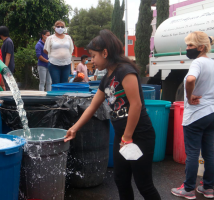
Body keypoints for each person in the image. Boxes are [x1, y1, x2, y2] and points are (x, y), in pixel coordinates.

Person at [64, 30, 161, 200]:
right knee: (121, 180)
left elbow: (136, 105)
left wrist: (128, 136)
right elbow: (92, 106)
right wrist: (74, 128)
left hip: (139, 135)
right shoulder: (106, 77)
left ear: (105, 53)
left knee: (144, 185)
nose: (92, 60)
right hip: (122, 136)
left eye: (93, 56)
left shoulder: (125, 71)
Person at [171, 32, 214, 200]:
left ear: (201, 47)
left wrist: (189, 97)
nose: (187, 49)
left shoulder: (198, 62)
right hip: (211, 113)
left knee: (193, 152)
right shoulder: (212, 62)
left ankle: (188, 189)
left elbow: (190, 80)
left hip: (196, 114)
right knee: (209, 152)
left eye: (190, 46)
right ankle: (208, 187)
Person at [44, 20, 74, 84]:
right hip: (54, 64)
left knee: (65, 83)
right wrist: (53, 55)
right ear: (54, 28)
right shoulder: (50, 38)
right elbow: (45, 50)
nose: (60, 28)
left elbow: (71, 49)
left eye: (62, 27)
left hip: (66, 63)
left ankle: (64, 94)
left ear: (64, 28)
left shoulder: (68, 37)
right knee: (56, 83)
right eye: (58, 26)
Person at [0, 26, 15, 90]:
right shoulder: (6, 41)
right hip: (6, 66)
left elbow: (8, 55)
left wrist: (5, 68)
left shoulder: (8, 41)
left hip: (8, 67)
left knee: (7, 85)